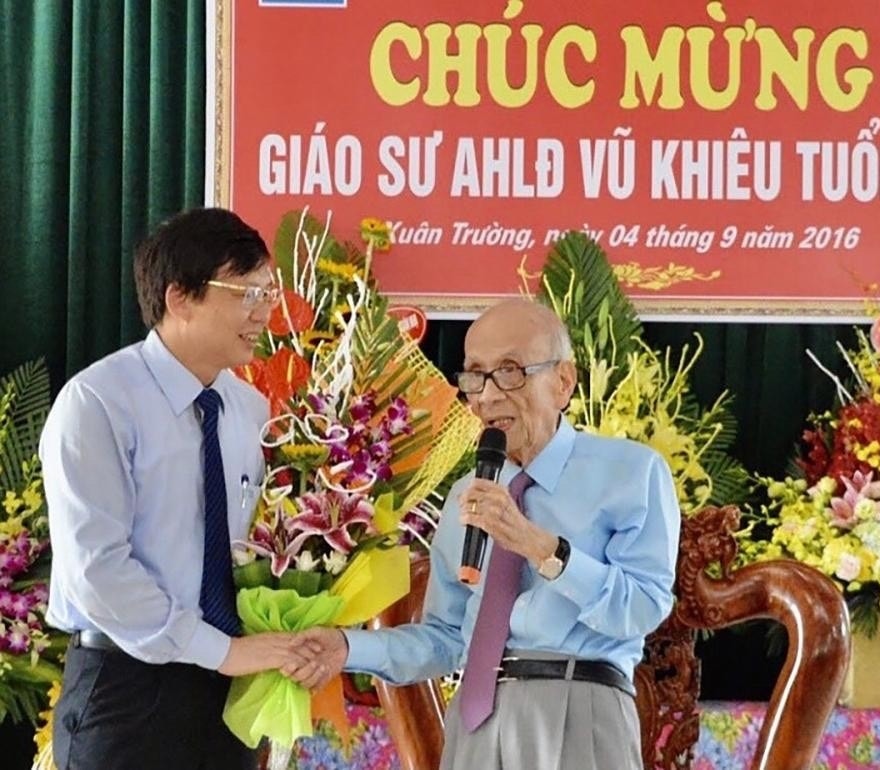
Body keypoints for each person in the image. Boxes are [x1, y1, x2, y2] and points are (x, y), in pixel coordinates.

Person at [292, 298, 681, 770]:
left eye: (511, 371)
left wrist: (542, 548)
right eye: (475, 375)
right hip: (477, 718)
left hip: (580, 707)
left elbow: (641, 609)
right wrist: (348, 647)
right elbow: (447, 639)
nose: (488, 395)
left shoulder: (632, 473)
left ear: (563, 382)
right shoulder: (468, 493)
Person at [40, 208, 315, 769]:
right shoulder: (97, 404)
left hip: (227, 690)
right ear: (179, 298)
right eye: (245, 293)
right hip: (127, 689)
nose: (263, 312)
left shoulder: (248, 408)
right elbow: (99, 571)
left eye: (268, 292)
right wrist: (222, 651)